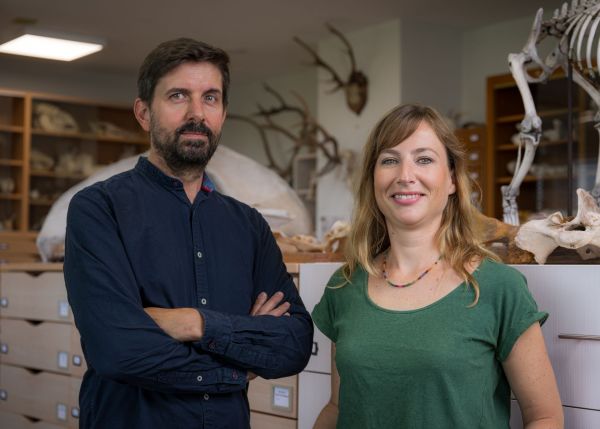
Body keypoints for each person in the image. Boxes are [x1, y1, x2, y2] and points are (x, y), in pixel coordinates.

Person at [63, 38, 313, 428]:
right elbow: (117, 348)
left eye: (210, 98)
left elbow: (293, 344)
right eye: (179, 96)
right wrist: (236, 366)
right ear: (144, 113)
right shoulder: (98, 209)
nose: (197, 113)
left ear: (224, 113)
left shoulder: (249, 225)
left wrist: (194, 323)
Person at [311, 104, 563, 428]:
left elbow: (545, 417)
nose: (405, 176)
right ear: (373, 180)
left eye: (424, 159)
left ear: (453, 180)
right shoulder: (344, 286)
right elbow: (336, 407)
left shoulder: (499, 288)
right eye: (389, 160)